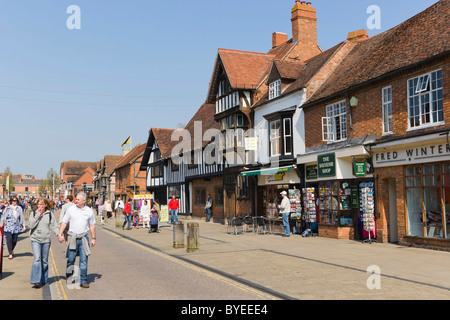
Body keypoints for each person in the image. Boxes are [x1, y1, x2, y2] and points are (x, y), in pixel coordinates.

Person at [58, 192, 96, 289]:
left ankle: (83, 280)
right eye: (76, 199)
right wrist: (60, 234)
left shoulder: (89, 211)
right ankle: (69, 276)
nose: (76, 201)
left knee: (84, 260)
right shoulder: (71, 210)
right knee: (71, 259)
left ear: (84, 201)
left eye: (78, 199)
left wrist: (93, 238)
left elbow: (92, 225)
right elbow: (64, 222)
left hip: (84, 238)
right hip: (72, 237)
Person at [28, 198, 59, 288]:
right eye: (38, 205)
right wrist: (37, 215)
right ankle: (35, 280)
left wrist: (59, 235)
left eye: (41, 205)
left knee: (44, 261)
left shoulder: (49, 214)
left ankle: (44, 279)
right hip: (35, 239)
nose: (39, 207)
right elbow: (30, 225)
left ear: (45, 205)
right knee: (37, 259)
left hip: (46, 240)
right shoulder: (33, 213)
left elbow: (54, 226)